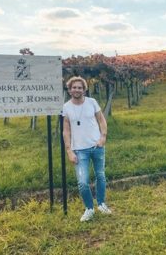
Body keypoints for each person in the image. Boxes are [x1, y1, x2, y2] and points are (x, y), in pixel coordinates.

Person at [62, 76, 112, 222]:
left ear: (84, 89)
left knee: (100, 176)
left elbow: (101, 120)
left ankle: (101, 203)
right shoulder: (66, 107)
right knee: (83, 182)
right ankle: (89, 208)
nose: (76, 90)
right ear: (70, 90)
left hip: (96, 146)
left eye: (79, 87)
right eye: (74, 87)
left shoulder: (92, 102)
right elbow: (66, 131)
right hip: (79, 150)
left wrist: (103, 137)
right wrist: (69, 151)